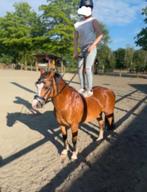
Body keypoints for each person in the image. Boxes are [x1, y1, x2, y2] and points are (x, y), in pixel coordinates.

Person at [73, 1, 103, 97]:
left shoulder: (93, 21)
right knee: (79, 68)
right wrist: (75, 51)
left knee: (87, 68)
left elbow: (100, 34)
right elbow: (75, 38)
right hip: (82, 49)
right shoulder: (77, 24)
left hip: (90, 47)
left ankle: (89, 90)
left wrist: (93, 45)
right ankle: (82, 88)